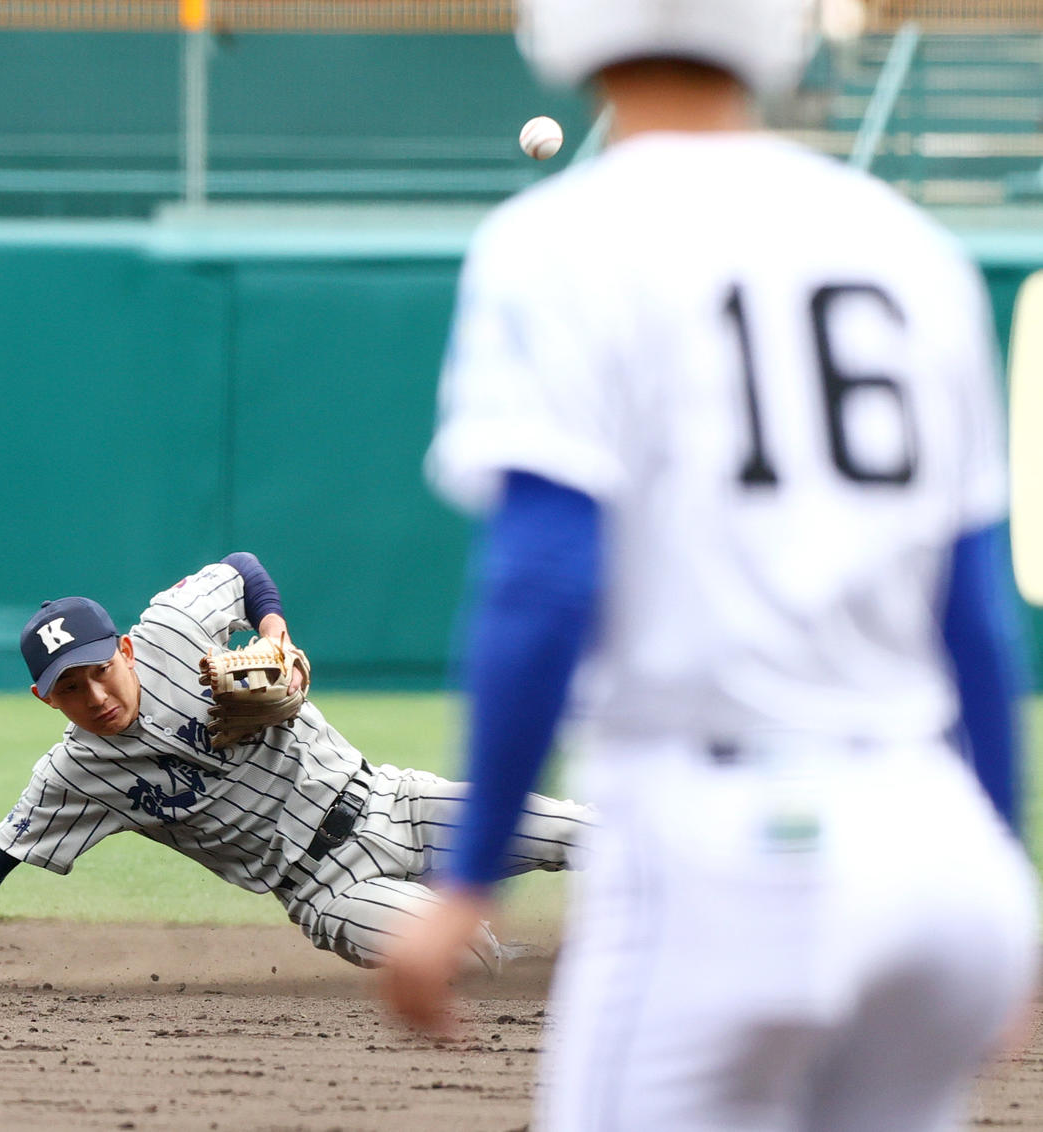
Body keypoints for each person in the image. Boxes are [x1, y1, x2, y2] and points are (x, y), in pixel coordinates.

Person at [380, 1, 1039, 1129]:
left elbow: (543, 583)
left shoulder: (555, 242)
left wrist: (470, 876)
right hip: (937, 853)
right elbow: (973, 612)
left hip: (720, 854)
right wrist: (1007, 875)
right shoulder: (906, 246)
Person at [0, 552, 591, 989]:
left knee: (579, 829)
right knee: (463, 958)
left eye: (98, 669)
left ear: (126, 649)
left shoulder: (174, 626)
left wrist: (274, 632)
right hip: (322, 889)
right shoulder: (73, 775)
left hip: (390, 800)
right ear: (45, 700)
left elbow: (245, 569)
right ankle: (532, 961)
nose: (93, 694)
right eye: (67, 688)